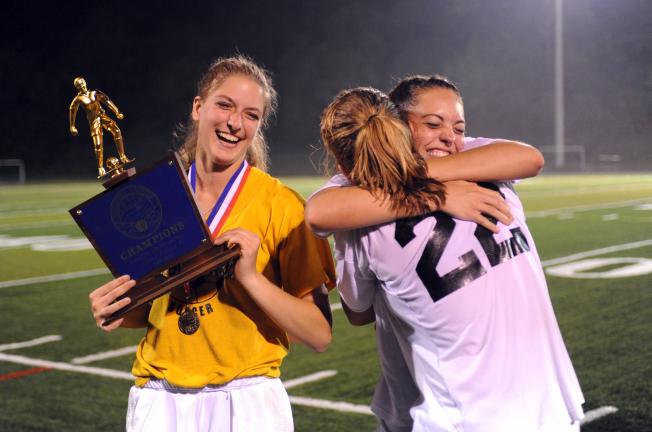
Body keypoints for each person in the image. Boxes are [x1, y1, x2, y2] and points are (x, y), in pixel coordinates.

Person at [308, 79, 584, 431]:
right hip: (462, 413)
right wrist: (434, 195)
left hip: (537, 407)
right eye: (432, 124)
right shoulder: (360, 205)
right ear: (398, 127)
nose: (449, 137)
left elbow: (530, 158)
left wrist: (416, 176)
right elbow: (320, 212)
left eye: (458, 127)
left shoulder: (471, 160)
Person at [88, 55, 336, 432]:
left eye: (251, 115)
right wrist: (120, 310)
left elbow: (318, 333)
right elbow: (161, 306)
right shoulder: (156, 199)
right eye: (224, 105)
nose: (235, 123)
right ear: (198, 107)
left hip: (246, 401)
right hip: (159, 396)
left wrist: (251, 278)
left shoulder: (282, 206)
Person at [69, 77, 133, 177]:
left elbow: (107, 101)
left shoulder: (95, 93)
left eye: (82, 83)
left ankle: (123, 156)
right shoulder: (78, 99)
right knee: (98, 144)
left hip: (102, 116)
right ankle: (100, 167)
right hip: (94, 122)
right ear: (76, 87)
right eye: (79, 85)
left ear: (85, 82)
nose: (82, 86)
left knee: (117, 131)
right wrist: (72, 126)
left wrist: (117, 112)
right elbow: (72, 111)